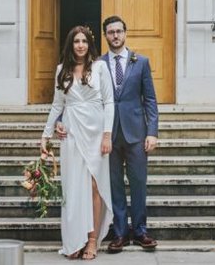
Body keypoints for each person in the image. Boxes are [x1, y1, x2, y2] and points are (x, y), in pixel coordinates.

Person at [41, 25, 114, 260]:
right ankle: (75, 238)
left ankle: (92, 240)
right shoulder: (61, 70)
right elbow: (56, 105)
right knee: (74, 187)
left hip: (96, 132)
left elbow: (110, 103)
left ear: (89, 44)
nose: (80, 45)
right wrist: (46, 134)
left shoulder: (100, 67)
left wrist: (107, 134)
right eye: (76, 41)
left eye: (84, 41)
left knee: (94, 186)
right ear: (70, 45)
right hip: (71, 133)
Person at [100, 15, 159, 253]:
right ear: (105, 35)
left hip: (136, 133)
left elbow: (151, 100)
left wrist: (152, 132)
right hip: (109, 135)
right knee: (114, 185)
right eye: (111, 32)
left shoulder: (141, 62)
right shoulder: (98, 64)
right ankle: (120, 232)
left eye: (119, 31)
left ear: (125, 33)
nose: (115, 36)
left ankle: (141, 230)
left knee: (138, 184)